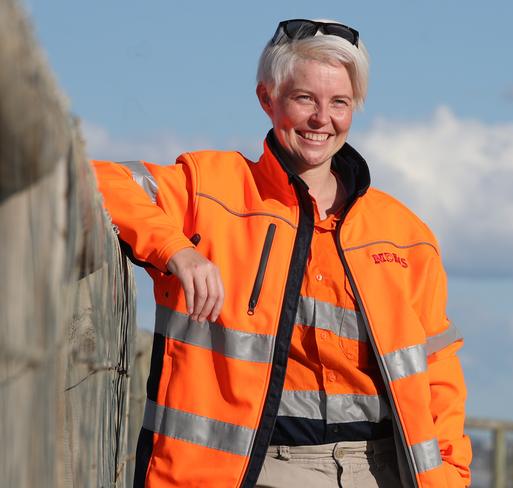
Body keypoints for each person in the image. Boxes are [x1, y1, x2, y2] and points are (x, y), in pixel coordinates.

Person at [94, 18, 471, 487]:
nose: (321, 119)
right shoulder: (211, 190)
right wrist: (175, 249)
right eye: (304, 99)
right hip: (260, 471)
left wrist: (450, 478)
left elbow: (439, 375)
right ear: (267, 98)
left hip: (381, 472)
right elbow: (97, 180)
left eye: (339, 102)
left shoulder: (405, 234)